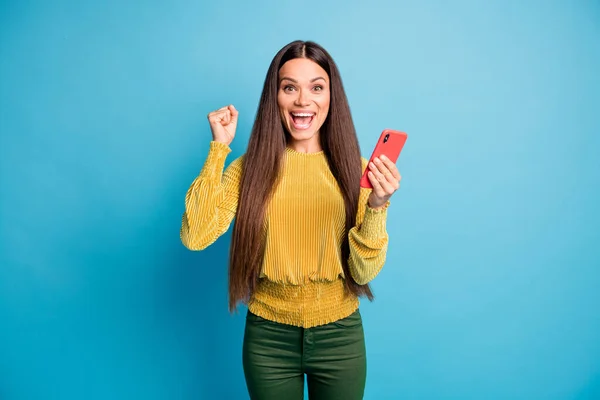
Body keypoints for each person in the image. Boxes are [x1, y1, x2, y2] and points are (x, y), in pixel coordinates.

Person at [180, 40, 401, 400]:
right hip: (268, 339)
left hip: (339, 336)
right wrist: (219, 149)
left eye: (316, 87)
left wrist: (377, 205)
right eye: (289, 88)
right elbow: (195, 235)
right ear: (275, 97)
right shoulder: (249, 170)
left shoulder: (358, 171)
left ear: (332, 97)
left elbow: (363, 273)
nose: (303, 101)